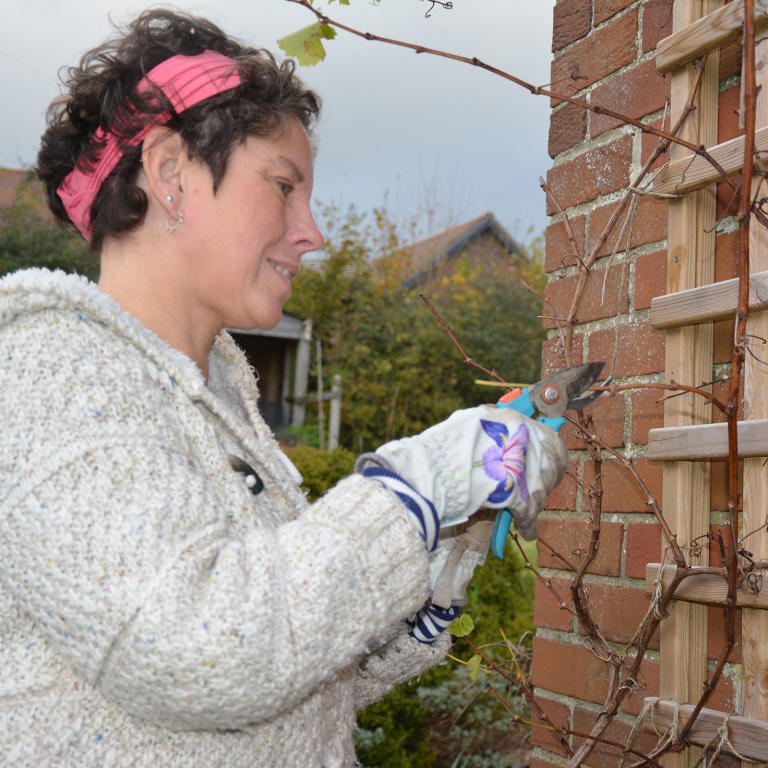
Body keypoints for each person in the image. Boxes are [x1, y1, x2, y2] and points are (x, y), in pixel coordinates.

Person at [0, 9, 566, 767]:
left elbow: (301, 673)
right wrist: (415, 489)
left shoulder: (218, 400)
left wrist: (441, 546)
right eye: (282, 185)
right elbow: (198, 650)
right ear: (171, 174)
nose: (314, 232)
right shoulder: (53, 369)